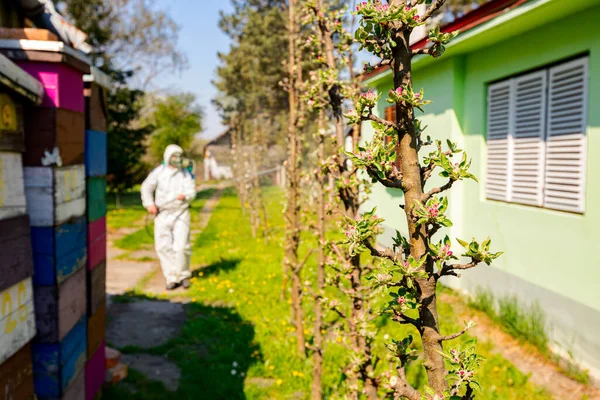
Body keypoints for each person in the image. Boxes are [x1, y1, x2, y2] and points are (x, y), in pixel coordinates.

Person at [141, 144, 196, 290]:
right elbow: (146, 188)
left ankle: (183, 275)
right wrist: (149, 204)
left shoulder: (185, 173)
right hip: (162, 213)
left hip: (181, 212)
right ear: (167, 157)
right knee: (163, 246)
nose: (177, 159)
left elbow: (192, 191)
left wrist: (186, 196)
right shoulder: (158, 172)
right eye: (174, 156)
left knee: (181, 246)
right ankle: (171, 277)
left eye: (179, 156)